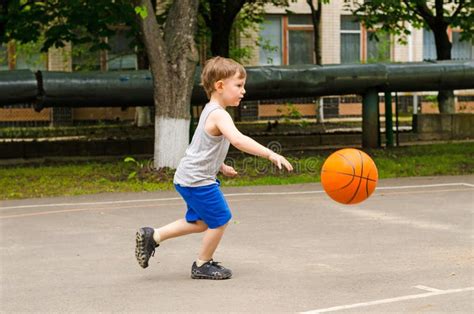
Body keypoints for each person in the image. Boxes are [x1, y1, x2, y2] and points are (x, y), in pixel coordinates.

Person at [135, 56, 293, 280]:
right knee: (221, 218)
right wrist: (269, 153)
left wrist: (221, 165)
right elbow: (238, 140)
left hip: (189, 177)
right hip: (197, 180)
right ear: (220, 86)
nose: (243, 91)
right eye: (238, 85)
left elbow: (203, 148)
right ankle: (202, 264)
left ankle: (153, 236)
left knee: (200, 223)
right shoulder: (219, 114)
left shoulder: (210, 110)